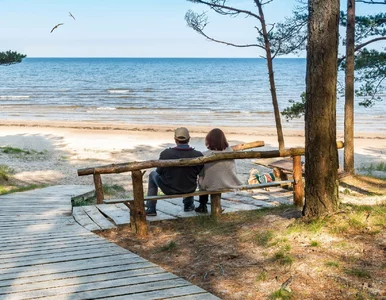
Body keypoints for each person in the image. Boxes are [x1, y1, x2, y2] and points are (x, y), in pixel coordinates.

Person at [145, 127, 203, 216]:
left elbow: (159, 172)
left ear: (175, 139)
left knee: (153, 174)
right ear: (189, 139)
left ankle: (150, 208)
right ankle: (188, 205)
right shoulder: (198, 155)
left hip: (169, 189)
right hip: (190, 188)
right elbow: (199, 172)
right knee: (188, 176)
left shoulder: (166, 154)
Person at [195, 128, 242, 213]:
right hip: (229, 181)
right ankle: (216, 206)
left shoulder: (205, 154)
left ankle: (202, 205)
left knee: (202, 178)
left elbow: (201, 172)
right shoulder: (230, 151)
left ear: (209, 140)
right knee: (216, 175)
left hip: (212, 184)